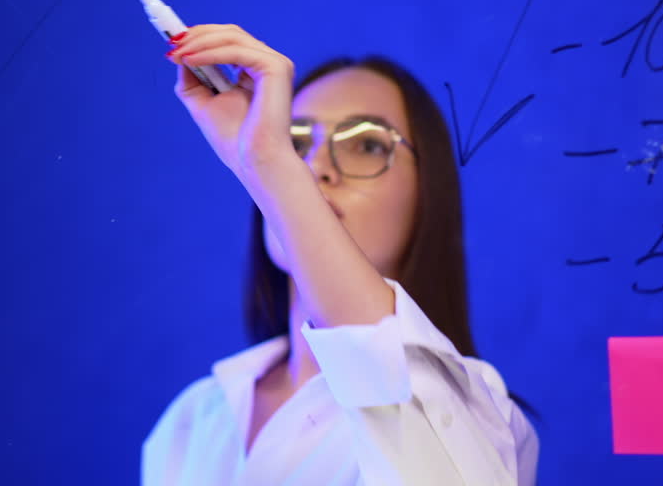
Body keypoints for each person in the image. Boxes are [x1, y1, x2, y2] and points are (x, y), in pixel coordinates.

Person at [141, 24, 538, 485]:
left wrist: (274, 163)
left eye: (367, 145)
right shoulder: (194, 418)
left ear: (427, 196)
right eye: (294, 142)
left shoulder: (476, 413)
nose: (315, 169)